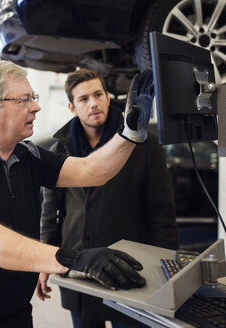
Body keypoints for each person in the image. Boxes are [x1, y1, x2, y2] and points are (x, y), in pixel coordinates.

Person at [0, 61, 155, 328]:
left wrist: (131, 132)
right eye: (24, 100)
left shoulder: (28, 155)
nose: (36, 106)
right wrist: (73, 259)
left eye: (33, 98)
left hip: (18, 315)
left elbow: (92, 170)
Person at [35, 68, 179, 328]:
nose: (93, 103)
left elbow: (162, 213)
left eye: (98, 94)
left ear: (108, 97)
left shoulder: (142, 145)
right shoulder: (61, 148)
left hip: (130, 269)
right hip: (78, 268)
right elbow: (50, 213)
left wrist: (168, 270)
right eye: (83, 99)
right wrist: (45, 262)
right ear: (72, 107)